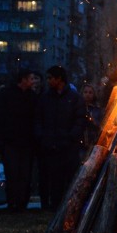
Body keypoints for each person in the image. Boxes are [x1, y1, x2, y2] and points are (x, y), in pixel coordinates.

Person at [35, 66, 85, 211]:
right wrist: (42, 137)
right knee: (54, 179)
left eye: (51, 78)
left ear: (59, 79)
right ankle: (54, 206)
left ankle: (70, 207)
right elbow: (38, 119)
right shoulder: (45, 98)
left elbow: (80, 120)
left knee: (70, 178)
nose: (48, 81)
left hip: (69, 146)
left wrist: (71, 137)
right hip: (51, 146)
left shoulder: (74, 98)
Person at [0, 70, 38, 211]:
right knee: (12, 173)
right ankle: (13, 201)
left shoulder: (32, 97)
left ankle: (20, 202)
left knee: (24, 174)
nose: (34, 81)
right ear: (23, 80)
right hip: (11, 141)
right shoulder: (7, 95)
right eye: (31, 78)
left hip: (26, 142)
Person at [81, 84, 104, 159]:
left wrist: (93, 121)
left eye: (90, 92)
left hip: (93, 144)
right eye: (85, 92)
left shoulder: (97, 110)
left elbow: (101, 126)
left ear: (94, 94)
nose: (88, 94)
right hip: (80, 144)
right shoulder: (78, 108)